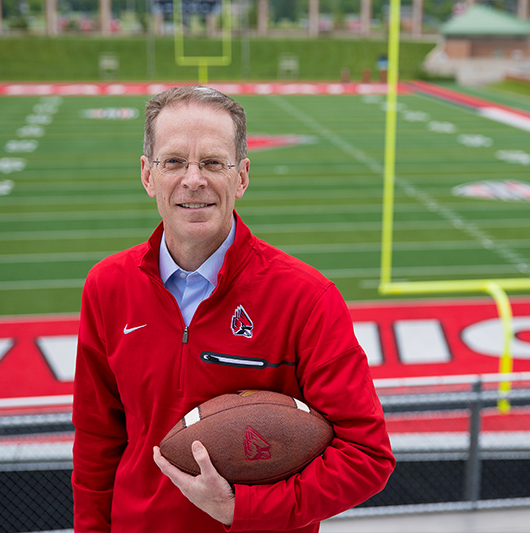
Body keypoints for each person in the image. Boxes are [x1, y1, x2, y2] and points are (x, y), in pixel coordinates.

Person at [71, 85, 395, 532]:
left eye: (212, 163)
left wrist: (244, 510)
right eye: (174, 162)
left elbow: (368, 455)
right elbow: (97, 441)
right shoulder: (108, 285)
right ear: (147, 175)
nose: (193, 180)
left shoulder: (306, 297)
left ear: (241, 176)